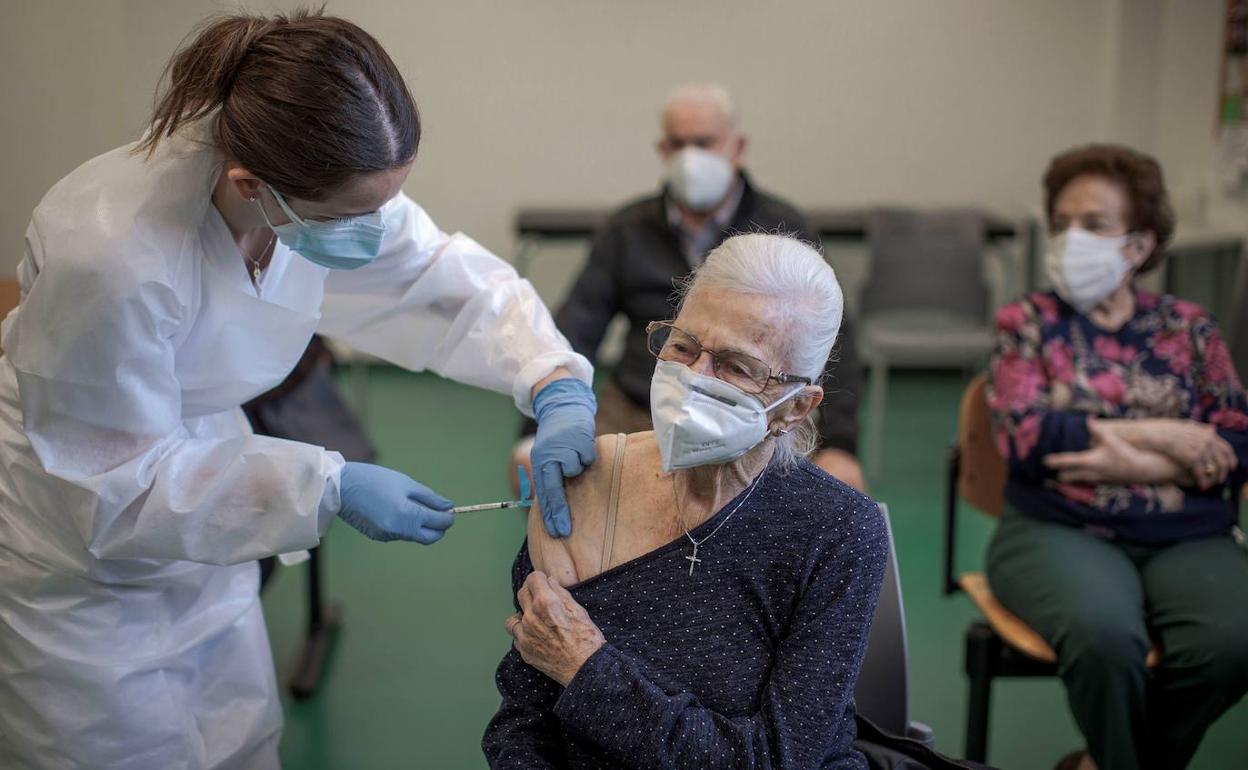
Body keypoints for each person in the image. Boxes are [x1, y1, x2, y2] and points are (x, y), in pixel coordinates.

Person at [0, 11, 596, 769]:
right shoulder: (110, 254)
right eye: (355, 215)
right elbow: (117, 489)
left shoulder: (304, 185)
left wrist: (552, 380)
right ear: (252, 186)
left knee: (237, 738)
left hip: (203, 499)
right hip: (76, 552)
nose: (375, 231)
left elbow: (439, 281)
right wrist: (326, 485)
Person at [484, 234, 887, 768]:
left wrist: (586, 667)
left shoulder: (836, 530)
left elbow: (778, 759)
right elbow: (522, 726)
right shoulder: (584, 487)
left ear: (796, 407)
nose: (693, 378)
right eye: (682, 346)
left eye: (737, 367)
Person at [986, 144, 1248, 770]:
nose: (1070, 238)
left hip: (1188, 534)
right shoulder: (1028, 323)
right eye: (1062, 223)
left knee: (1232, 642)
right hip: (1060, 528)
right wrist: (1170, 439)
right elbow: (1026, 435)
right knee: (1106, 639)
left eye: (1094, 224)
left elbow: (1237, 442)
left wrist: (1135, 464)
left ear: (1139, 244)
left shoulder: (1190, 329)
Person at [514, 83, 865, 492]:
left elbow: (834, 341)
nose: (690, 157)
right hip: (640, 404)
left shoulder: (782, 229)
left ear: (737, 147)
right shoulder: (627, 229)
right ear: (662, 150)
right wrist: (539, 425)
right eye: (678, 144)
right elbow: (577, 324)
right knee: (557, 477)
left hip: (747, 413)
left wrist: (841, 444)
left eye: (704, 142)